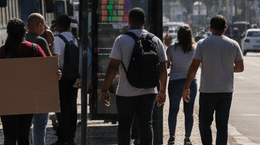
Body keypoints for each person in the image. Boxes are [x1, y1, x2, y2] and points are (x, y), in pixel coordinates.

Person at [101, 8, 168, 145]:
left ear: (129, 21)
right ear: (144, 21)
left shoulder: (121, 40)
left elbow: (113, 67)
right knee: (146, 125)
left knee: (124, 127)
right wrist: (162, 91)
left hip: (125, 93)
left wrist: (105, 89)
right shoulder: (155, 40)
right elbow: (163, 68)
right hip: (149, 92)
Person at [0, 18, 51, 145]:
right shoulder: (34, 49)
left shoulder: (2, 52)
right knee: (23, 136)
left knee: (9, 137)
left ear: (8, 33)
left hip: (6, 101)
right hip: (28, 100)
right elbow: (46, 71)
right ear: (24, 32)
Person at [182, 15, 243, 145]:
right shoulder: (233, 44)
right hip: (226, 91)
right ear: (225, 28)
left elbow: (193, 68)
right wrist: (225, 67)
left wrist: (186, 87)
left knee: (204, 122)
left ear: (210, 28)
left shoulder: (203, 44)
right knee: (222, 125)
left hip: (207, 90)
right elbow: (240, 67)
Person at [166, 25, 196, 145]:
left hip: (174, 82)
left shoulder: (171, 49)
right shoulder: (195, 49)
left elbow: (167, 65)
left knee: (173, 109)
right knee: (189, 111)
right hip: (190, 83)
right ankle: (187, 137)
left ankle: (172, 136)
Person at [53, 14, 80, 145]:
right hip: (73, 78)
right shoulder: (74, 38)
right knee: (72, 107)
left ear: (58, 26)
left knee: (62, 108)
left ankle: (63, 138)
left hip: (62, 78)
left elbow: (57, 59)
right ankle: (71, 137)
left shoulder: (57, 39)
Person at [26, 13, 53, 145]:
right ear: (40, 25)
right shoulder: (40, 41)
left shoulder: (22, 40)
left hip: (25, 89)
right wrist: (50, 43)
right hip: (41, 89)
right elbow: (50, 64)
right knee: (40, 125)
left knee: (27, 124)